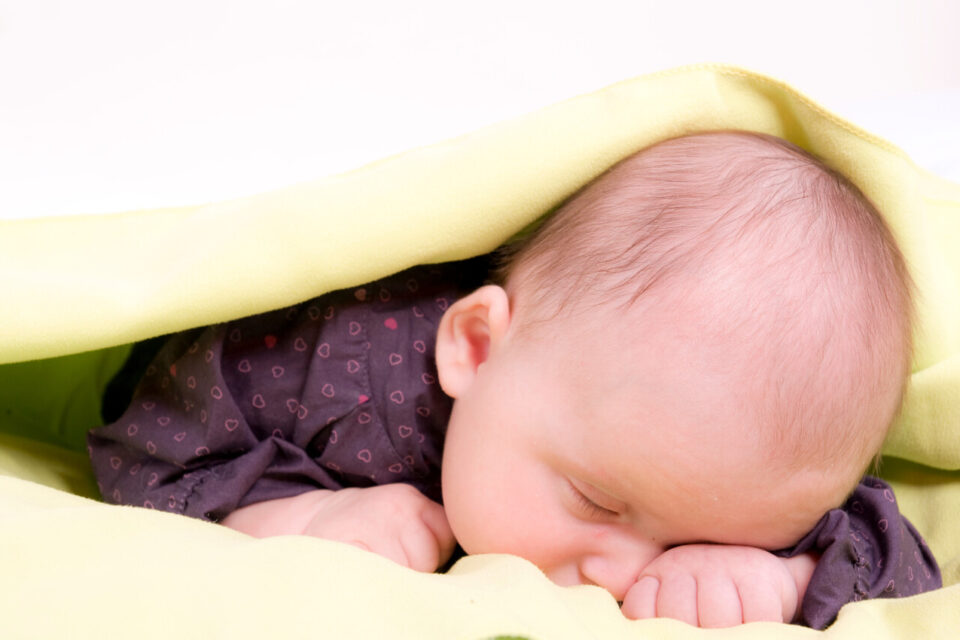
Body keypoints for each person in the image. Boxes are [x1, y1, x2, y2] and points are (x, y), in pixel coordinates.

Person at [88, 131, 940, 629]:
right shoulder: (339, 367)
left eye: (696, 538)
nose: (617, 578)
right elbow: (146, 443)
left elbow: (898, 561)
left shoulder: (725, 456)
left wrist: (777, 577)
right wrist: (293, 510)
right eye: (598, 503)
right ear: (479, 348)